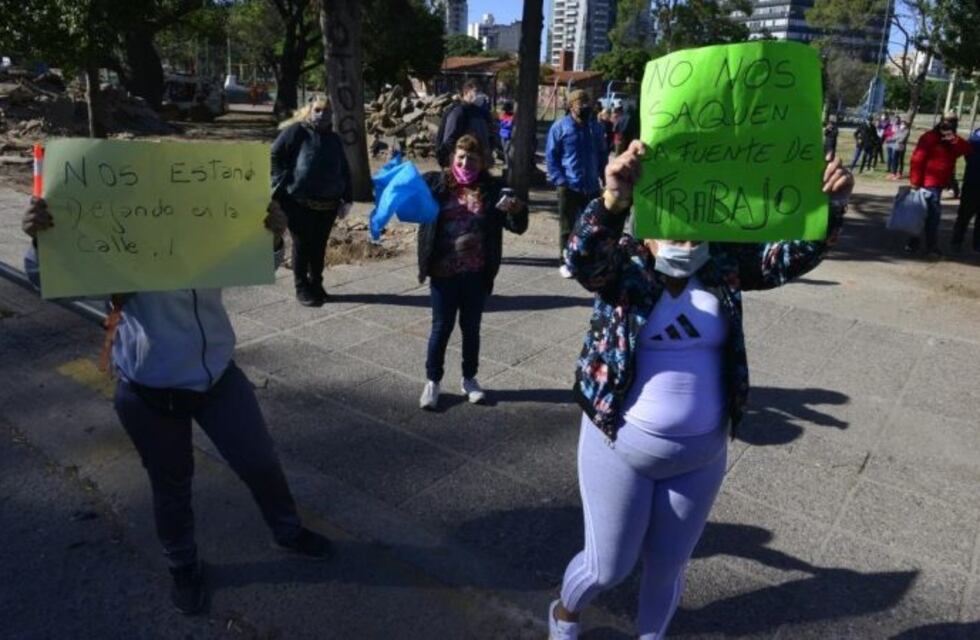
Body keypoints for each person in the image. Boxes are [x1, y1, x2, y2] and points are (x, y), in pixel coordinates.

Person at [548, 141, 853, 640]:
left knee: (669, 567)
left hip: (701, 454)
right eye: (672, 218)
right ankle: (564, 613)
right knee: (608, 568)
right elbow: (582, 259)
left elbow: (785, 257)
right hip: (618, 446)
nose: (685, 239)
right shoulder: (622, 265)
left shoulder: (723, 265)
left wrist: (830, 205)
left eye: (696, 222)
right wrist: (612, 197)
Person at [20, 197, 333, 616]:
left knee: (260, 462)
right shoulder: (117, 246)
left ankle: (288, 531)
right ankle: (183, 565)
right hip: (149, 391)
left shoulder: (204, 235)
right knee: (171, 488)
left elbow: (255, 265)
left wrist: (273, 236)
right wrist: (42, 243)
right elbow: (51, 280)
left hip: (219, 379)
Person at [416, 135, 528, 410]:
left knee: (471, 328)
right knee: (441, 328)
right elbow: (411, 205)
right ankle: (433, 381)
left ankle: (469, 379)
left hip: (476, 274)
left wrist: (517, 209)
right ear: (453, 158)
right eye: (461, 157)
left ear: (482, 162)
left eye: (472, 159)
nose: (466, 163)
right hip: (443, 273)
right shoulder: (436, 184)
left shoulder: (493, 189)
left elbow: (517, 226)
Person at [271, 95, 352, 307]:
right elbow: (274, 155)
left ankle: (316, 283)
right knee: (302, 245)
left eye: (326, 111)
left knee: (319, 247)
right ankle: (301, 286)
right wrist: (281, 180)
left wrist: (347, 198)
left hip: (328, 205)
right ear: (309, 110)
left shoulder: (334, 139)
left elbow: (344, 169)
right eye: (318, 110)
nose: (322, 114)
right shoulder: (296, 131)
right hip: (299, 203)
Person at [546, 89, 608, 279]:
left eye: (587, 103)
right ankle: (565, 260)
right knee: (567, 226)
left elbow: (602, 154)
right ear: (571, 105)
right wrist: (560, 180)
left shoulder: (596, 127)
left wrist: (603, 177)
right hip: (569, 185)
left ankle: (588, 260)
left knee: (593, 226)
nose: (585, 107)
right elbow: (551, 156)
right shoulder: (560, 127)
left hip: (591, 185)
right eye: (581, 103)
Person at [906, 115, 972, 257]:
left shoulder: (952, 141)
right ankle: (928, 246)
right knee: (930, 216)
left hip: (939, 182)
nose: (948, 127)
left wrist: (952, 138)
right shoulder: (929, 138)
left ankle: (915, 242)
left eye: (952, 124)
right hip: (927, 183)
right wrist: (915, 182)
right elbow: (918, 159)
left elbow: (966, 150)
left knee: (925, 215)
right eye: (946, 124)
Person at [436, 80, 494, 167]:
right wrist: (460, 159)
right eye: (476, 91)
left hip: (477, 162)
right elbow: (448, 141)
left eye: (481, 92)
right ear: (466, 92)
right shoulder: (458, 112)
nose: (480, 95)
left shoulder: (479, 111)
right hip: (463, 164)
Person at [951, 127, 980, 253]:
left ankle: (977, 244)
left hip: (972, 180)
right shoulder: (974, 139)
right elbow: (968, 156)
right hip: (972, 182)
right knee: (964, 215)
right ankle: (957, 241)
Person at [498, 100, 515, 175]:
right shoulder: (504, 115)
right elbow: (502, 124)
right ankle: (508, 164)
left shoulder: (512, 116)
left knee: (507, 151)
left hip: (508, 136)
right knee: (505, 151)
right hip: (504, 135)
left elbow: (508, 125)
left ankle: (509, 165)